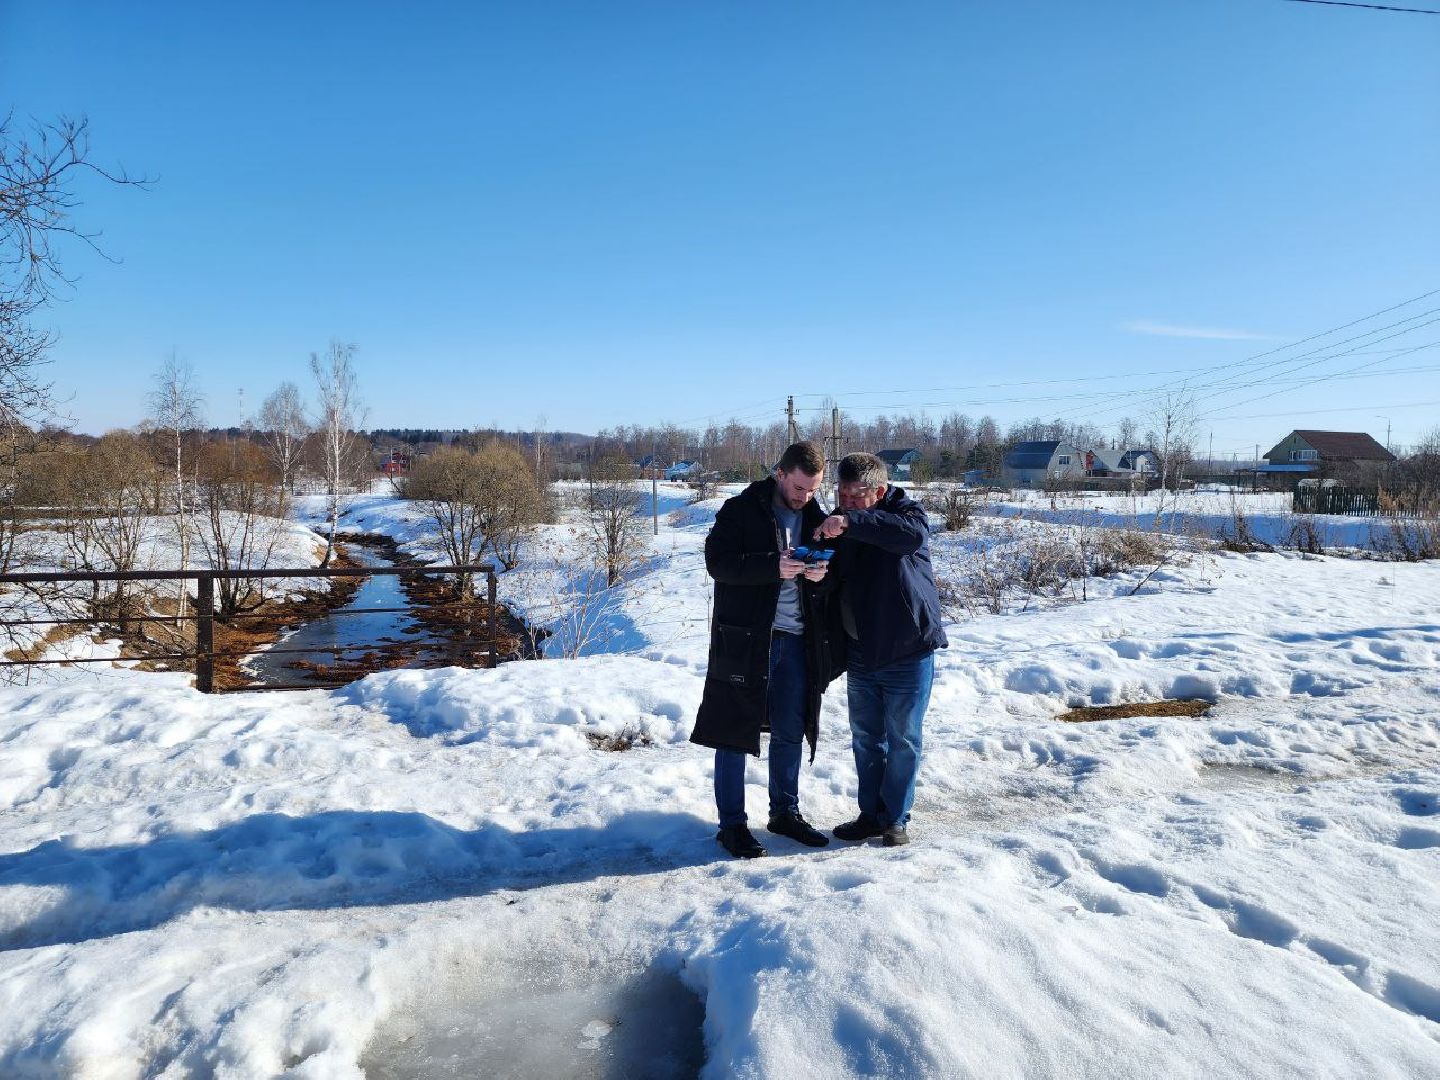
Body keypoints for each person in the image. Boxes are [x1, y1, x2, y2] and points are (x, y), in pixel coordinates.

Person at [690, 441, 845, 859]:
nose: (805, 497)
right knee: (734, 731)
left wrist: (820, 576)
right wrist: (771, 567)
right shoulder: (740, 509)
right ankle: (732, 826)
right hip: (746, 640)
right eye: (799, 488)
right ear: (780, 473)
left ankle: (785, 814)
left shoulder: (815, 517)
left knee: (790, 730)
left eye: (812, 490)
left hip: (797, 640)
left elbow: (832, 583)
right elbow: (717, 563)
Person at [815, 452, 947, 847]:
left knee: (904, 738)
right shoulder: (841, 524)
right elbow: (836, 580)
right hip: (861, 652)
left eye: (855, 496)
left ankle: (896, 818)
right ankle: (870, 815)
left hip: (907, 650)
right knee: (866, 737)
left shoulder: (907, 516)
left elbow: (909, 537)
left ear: (881, 491)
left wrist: (851, 521)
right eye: (841, 493)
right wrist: (817, 573)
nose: (845, 502)